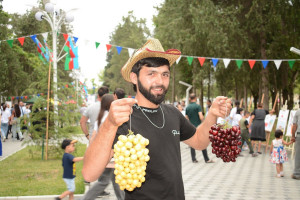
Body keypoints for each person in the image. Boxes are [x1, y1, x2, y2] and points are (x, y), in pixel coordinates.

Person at [82, 38, 231, 200]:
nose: (160, 81)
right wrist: (109, 124)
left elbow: (199, 141)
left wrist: (212, 115)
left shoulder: (172, 113)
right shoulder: (122, 118)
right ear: (134, 77)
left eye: (165, 74)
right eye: (151, 73)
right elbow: (89, 173)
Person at [82, 94, 125, 200]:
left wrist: (92, 152)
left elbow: (94, 137)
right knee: (105, 181)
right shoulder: (112, 117)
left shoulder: (100, 118)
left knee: (114, 180)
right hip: (112, 154)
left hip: (103, 155)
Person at [80, 86, 110, 197]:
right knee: (106, 176)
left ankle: (99, 189)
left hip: (94, 141)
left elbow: (82, 122)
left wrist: (87, 135)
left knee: (105, 174)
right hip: (106, 146)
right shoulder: (110, 110)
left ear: (98, 95)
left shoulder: (91, 107)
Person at [186, 93, 214, 163]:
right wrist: (204, 123)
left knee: (192, 143)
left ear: (190, 99)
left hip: (190, 127)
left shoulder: (187, 107)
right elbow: (201, 116)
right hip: (198, 127)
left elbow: (186, 118)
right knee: (202, 142)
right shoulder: (198, 106)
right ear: (195, 98)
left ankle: (194, 159)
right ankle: (206, 159)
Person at [291, 109, 300, 180]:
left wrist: (293, 136)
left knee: (298, 155)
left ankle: (297, 173)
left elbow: (294, 125)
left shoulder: (298, 112)